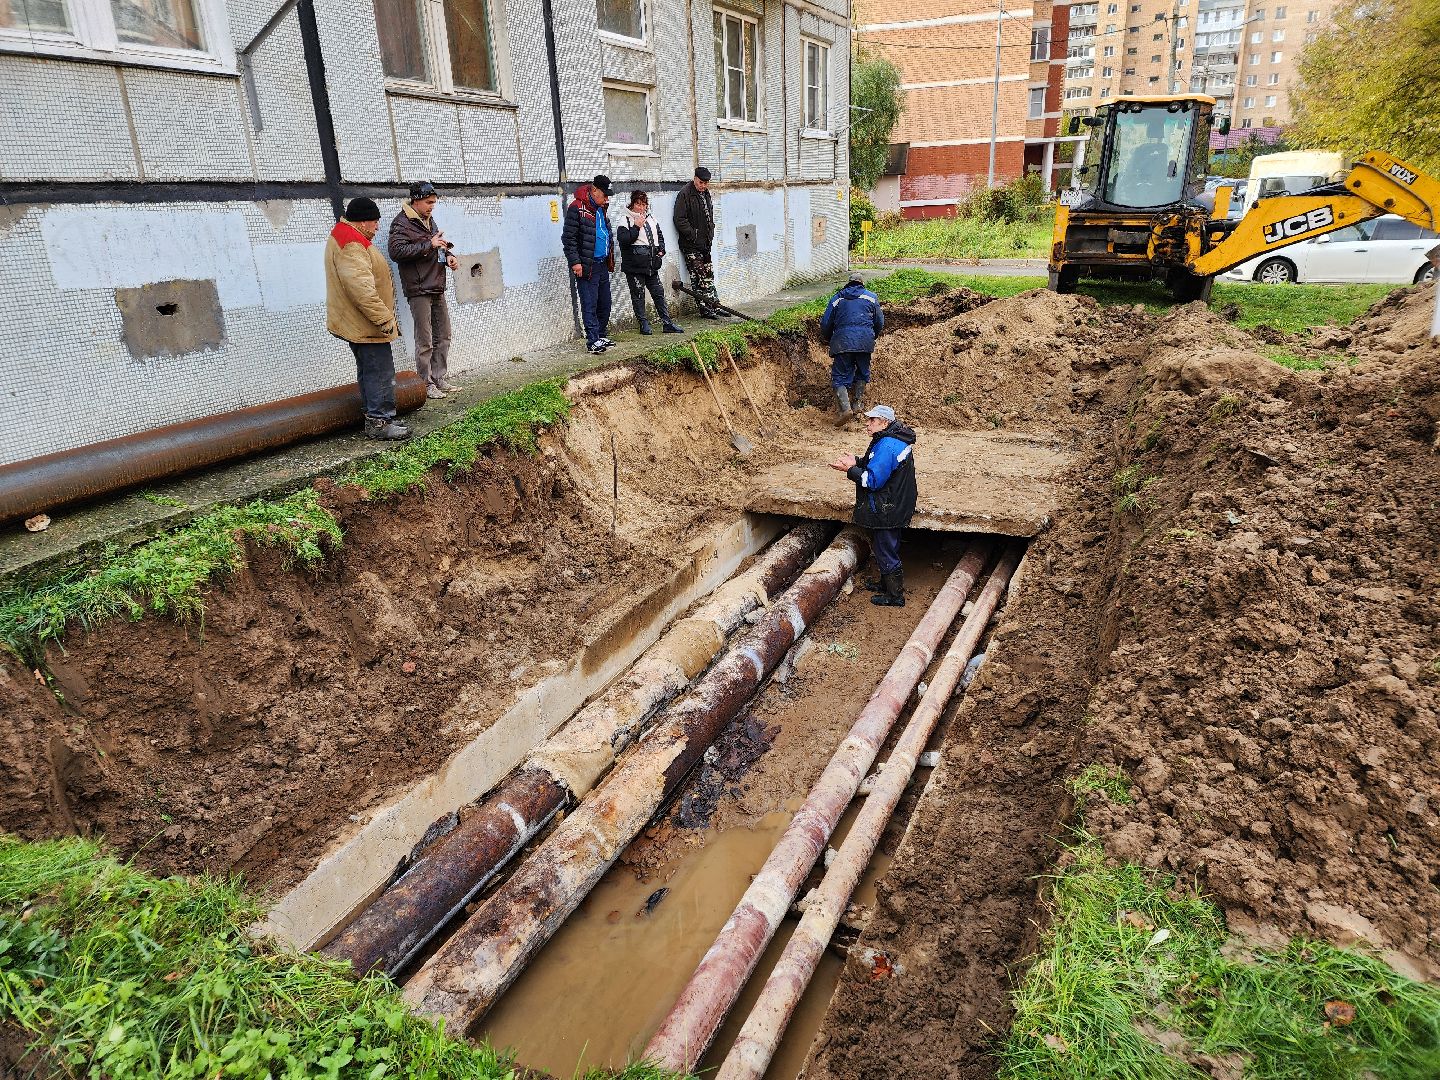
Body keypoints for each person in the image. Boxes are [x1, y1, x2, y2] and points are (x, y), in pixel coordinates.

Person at [325, 197, 411, 441]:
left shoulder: (347, 235)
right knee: (379, 372)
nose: (377, 227)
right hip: (366, 324)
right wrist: (385, 320)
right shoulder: (351, 243)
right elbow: (362, 291)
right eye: (374, 222)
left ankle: (378, 417)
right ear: (362, 221)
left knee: (369, 371)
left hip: (359, 322)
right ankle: (379, 422)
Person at [829, 404, 917, 607]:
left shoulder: (886, 445)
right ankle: (885, 585)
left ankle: (895, 596)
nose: (867, 424)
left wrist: (850, 469)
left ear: (884, 423)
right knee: (883, 545)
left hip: (889, 507)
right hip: (894, 503)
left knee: (886, 548)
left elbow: (872, 480)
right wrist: (858, 461)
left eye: (872, 421)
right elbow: (874, 464)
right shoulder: (890, 440)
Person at [388, 180, 461, 400]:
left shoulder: (429, 221)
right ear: (416, 200)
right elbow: (396, 251)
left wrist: (449, 256)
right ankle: (425, 383)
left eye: (434, 203)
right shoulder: (402, 223)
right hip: (419, 288)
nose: (432, 206)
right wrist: (428, 245)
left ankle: (439, 378)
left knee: (444, 335)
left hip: (436, 283)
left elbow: (439, 244)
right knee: (425, 340)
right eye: (429, 202)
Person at [562, 174, 617, 354]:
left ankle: (600, 335)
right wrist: (576, 263)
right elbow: (568, 239)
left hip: (602, 264)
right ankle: (592, 340)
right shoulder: (576, 208)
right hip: (587, 265)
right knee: (590, 303)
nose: (606, 199)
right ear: (594, 190)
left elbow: (603, 232)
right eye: (604, 194)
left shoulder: (601, 208)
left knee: (605, 304)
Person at [819, 272, 883, 424]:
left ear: (849, 283)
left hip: (843, 342)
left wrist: (830, 338)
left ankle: (845, 409)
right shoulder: (871, 297)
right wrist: (871, 336)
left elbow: (825, 323)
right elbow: (879, 322)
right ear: (861, 283)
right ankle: (858, 404)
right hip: (864, 341)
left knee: (840, 376)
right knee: (862, 371)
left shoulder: (837, 298)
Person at [616, 191, 683, 335]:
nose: (641, 208)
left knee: (658, 293)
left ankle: (667, 323)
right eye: (638, 204)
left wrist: (662, 251)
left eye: (644, 204)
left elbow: (659, 236)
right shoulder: (625, 220)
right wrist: (636, 226)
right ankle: (643, 325)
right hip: (634, 266)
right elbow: (624, 240)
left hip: (651, 265)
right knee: (638, 295)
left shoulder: (651, 218)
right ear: (632, 204)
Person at [674, 166, 719, 319]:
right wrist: (694, 235)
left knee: (709, 275)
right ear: (695, 179)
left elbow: (708, 217)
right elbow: (679, 220)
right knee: (698, 277)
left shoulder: (705, 193)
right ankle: (705, 309)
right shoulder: (685, 194)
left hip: (705, 244)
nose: (703, 186)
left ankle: (715, 305)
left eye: (706, 183)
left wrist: (709, 234)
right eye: (701, 182)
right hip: (691, 245)